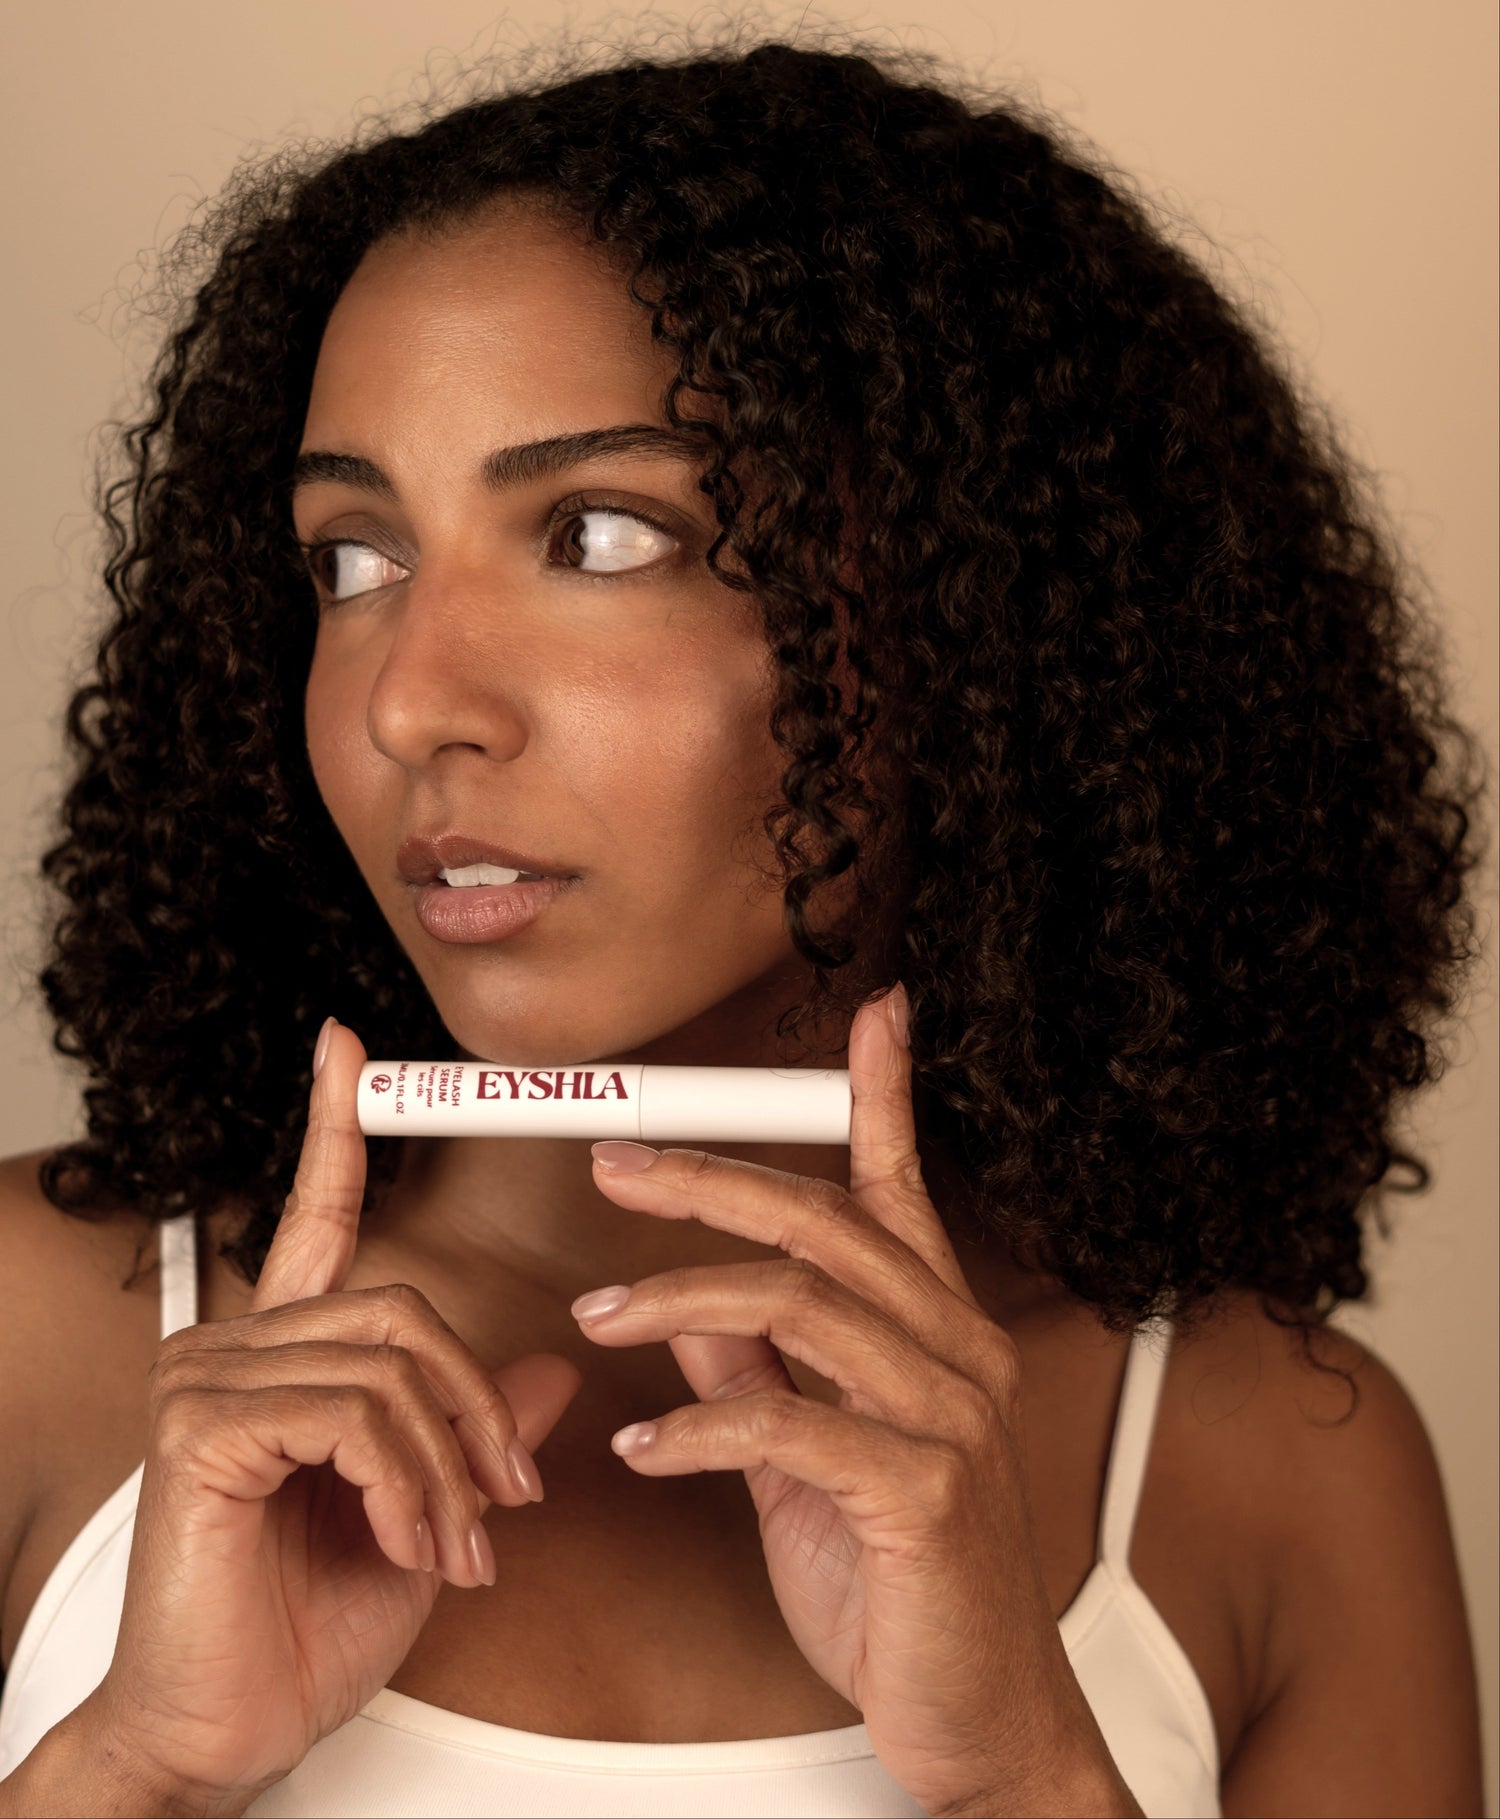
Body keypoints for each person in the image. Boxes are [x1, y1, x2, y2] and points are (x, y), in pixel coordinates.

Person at [0, 26, 1488, 1819]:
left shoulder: (1276, 1466)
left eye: (601, 536)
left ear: (969, 604)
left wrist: (1024, 1767)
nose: (410, 704)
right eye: (354, 560)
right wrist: (135, 1765)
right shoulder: (37, 1339)